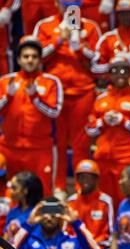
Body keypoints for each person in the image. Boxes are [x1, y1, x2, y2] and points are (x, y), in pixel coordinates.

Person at [33, 0, 101, 197]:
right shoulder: (45, 25)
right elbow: (35, 57)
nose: (70, 9)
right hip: (56, 92)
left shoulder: (89, 26)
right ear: (56, 4)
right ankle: (60, 186)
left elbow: (98, 61)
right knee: (58, 142)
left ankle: (82, 188)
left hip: (83, 91)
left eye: (74, 4)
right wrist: (57, 41)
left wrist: (80, 47)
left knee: (81, 143)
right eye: (65, 4)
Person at [86, 57, 130, 212]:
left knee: (127, 197)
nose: (119, 74)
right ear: (109, 75)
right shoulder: (101, 99)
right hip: (102, 157)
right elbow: (89, 130)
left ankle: (128, 231)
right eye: (115, 71)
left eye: (124, 70)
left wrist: (125, 121)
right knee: (105, 198)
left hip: (127, 157)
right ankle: (109, 231)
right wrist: (103, 121)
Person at [0, 36, 62, 196]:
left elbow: (55, 112)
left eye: (34, 57)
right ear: (19, 60)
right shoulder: (6, 81)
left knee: (44, 192)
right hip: (9, 148)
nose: (30, 60)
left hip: (40, 149)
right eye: (26, 57)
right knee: (8, 195)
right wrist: (7, 97)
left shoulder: (51, 82)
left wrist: (35, 97)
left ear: (40, 60)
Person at [67, 159, 114, 249]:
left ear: (96, 179)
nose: (85, 180)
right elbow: (66, 231)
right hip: (77, 246)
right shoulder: (71, 201)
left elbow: (111, 232)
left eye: (89, 177)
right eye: (81, 177)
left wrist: (98, 245)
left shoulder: (105, 201)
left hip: (102, 247)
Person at [0, 171, 43, 249]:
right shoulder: (13, 211)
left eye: (14, 188)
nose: (10, 191)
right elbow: (5, 238)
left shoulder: (37, 213)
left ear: (25, 191)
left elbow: (30, 246)